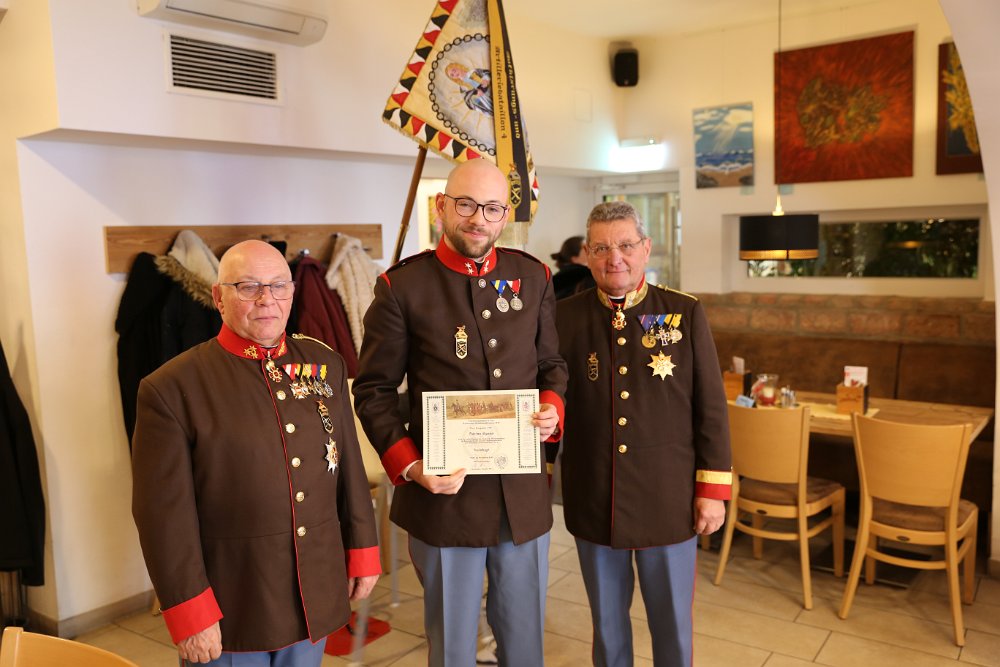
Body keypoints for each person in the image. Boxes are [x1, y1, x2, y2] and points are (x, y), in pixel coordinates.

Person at [353, 158, 568, 667]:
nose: (478, 219)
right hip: (443, 498)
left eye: (492, 208)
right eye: (466, 205)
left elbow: (551, 365)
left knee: (525, 645)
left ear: (504, 215)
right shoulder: (402, 287)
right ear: (442, 207)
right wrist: (410, 465)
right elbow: (374, 390)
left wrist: (551, 407)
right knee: (452, 648)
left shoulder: (532, 276)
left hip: (519, 497)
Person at [131, 240, 380, 665]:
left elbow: (349, 468)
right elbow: (163, 516)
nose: (267, 299)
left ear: (292, 292)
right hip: (233, 603)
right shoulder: (172, 388)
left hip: (314, 590)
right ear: (218, 297)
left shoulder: (324, 364)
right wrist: (190, 612)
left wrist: (362, 551)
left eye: (278, 285)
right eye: (248, 287)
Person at [555, 201, 732, 667]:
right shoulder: (563, 317)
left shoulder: (683, 312)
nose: (615, 258)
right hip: (596, 497)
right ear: (587, 254)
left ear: (646, 248)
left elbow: (711, 408)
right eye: (601, 248)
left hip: (667, 499)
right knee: (607, 627)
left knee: (672, 627)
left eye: (626, 245)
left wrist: (712, 491)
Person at [550, 235, 595, 299]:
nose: (590, 250)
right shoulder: (586, 278)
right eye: (585, 248)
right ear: (574, 259)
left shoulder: (555, 281)